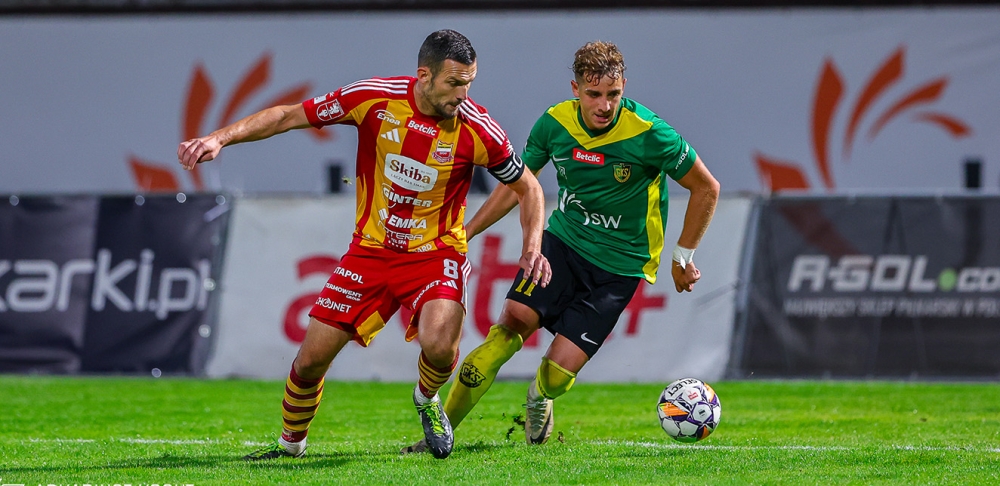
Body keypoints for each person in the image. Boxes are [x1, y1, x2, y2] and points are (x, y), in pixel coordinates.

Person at [177, 29, 552, 460]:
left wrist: (532, 246)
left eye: (469, 83)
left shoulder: (477, 128)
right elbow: (287, 116)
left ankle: (427, 398)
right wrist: (219, 138)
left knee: (439, 344)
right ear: (424, 75)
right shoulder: (373, 98)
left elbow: (529, 188)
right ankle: (290, 446)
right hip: (370, 252)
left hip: (436, 253)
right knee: (310, 361)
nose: (463, 94)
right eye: (454, 83)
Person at [403, 40, 720, 452]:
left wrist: (682, 257)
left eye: (613, 94)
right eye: (593, 94)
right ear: (575, 89)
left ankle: (540, 398)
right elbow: (517, 184)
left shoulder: (650, 133)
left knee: (557, 375)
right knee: (505, 333)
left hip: (619, 269)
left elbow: (706, 187)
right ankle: (437, 437)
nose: (604, 105)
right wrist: (468, 231)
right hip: (561, 246)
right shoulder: (554, 125)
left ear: (624, 87)